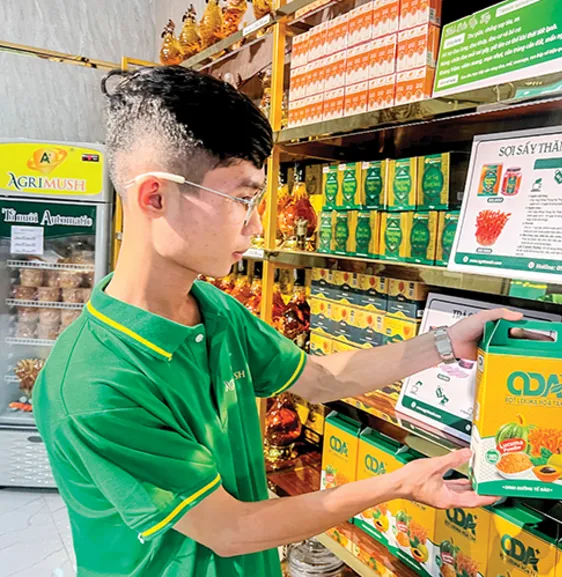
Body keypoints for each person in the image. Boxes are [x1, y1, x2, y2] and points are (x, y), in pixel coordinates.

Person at [34, 65, 521, 577]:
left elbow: (320, 378)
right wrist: (398, 483)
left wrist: (446, 342)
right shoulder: (92, 385)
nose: (257, 224)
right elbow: (230, 530)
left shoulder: (212, 308)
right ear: (155, 197)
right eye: (242, 199)